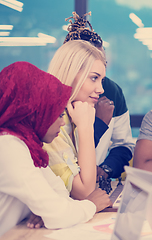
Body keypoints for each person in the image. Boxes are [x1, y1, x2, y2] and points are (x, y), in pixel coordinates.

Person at [0, 62, 111, 236]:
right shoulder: (9, 147)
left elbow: (59, 196)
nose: (61, 122)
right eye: (58, 115)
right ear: (34, 112)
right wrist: (92, 204)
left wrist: (49, 210)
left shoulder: (28, 145)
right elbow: (58, 214)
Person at [63, 12, 135, 180]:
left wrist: (105, 170)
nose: (100, 89)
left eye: (103, 63)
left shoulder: (111, 91)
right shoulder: (51, 103)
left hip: (94, 188)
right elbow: (69, 161)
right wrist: (100, 123)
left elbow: (124, 146)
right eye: (93, 76)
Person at [43, 40, 106, 200]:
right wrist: (86, 128)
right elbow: (85, 191)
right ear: (71, 74)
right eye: (94, 78)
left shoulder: (74, 115)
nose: (101, 89)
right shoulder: (50, 122)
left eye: (101, 80)